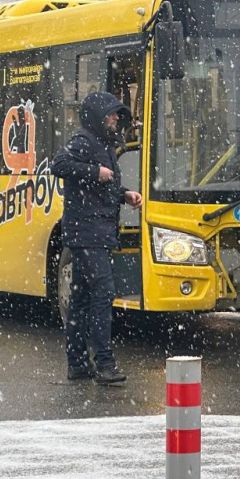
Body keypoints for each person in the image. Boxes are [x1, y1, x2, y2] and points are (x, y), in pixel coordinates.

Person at [52, 92, 143, 385]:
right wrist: (95, 172)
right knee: (103, 295)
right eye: (112, 114)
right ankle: (104, 364)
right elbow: (59, 165)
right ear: (98, 117)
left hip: (93, 232)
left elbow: (104, 185)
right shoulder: (84, 141)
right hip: (88, 233)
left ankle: (77, 363)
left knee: (80, 299)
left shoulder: (102, 144)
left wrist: (124, 194)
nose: (116, 118)